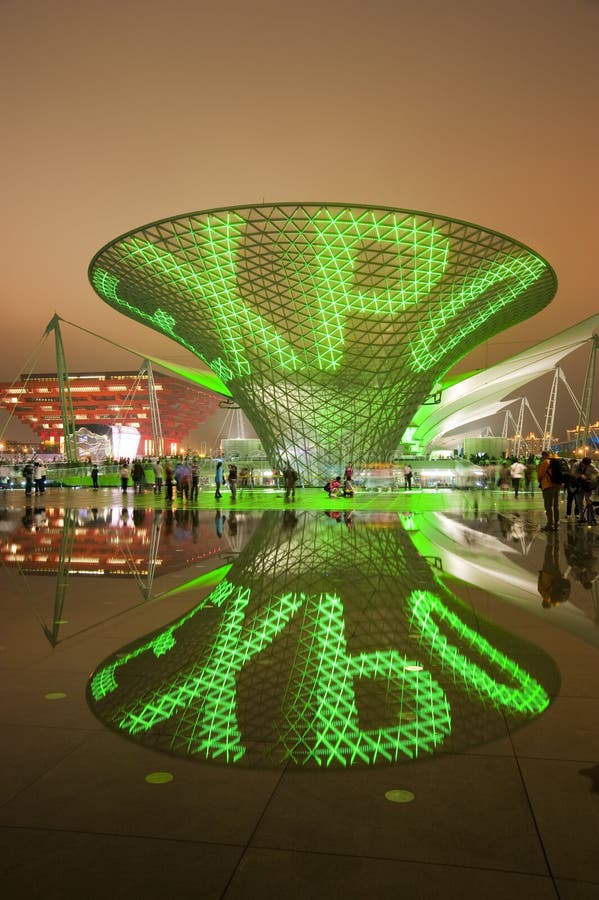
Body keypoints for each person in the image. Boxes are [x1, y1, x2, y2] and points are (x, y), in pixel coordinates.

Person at [537, 532, 571, 608]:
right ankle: (550, 539)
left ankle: (557, 540)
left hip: (558, 578)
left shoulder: (559, 600)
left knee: (556, 557)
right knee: (548, 555)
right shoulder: (544, 595)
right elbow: (540, 586)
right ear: (544, 602)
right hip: (547, 573)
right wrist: (540, 575)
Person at [537, 450, 560, 531]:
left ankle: (550, 524)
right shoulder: (556, 461)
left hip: (548, 486)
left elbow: (540, 475)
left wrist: (540, 465)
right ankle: (556, 523)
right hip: (557, 485)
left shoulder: (545, 462)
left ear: (544, 455)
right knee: (556, 506)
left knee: (548, 506)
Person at [577, 457, 598, 525]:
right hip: (579, 486)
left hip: (587, 486)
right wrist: (580, 476)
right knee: (579, 502)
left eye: (587, 465)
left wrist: (590, 478)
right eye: (585, 464)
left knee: (589, 502)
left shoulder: (592, 466)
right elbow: (572, 473)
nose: (586, 466)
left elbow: (597, 474)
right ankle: (582, 517)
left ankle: (592, 519)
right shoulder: (577, 465)